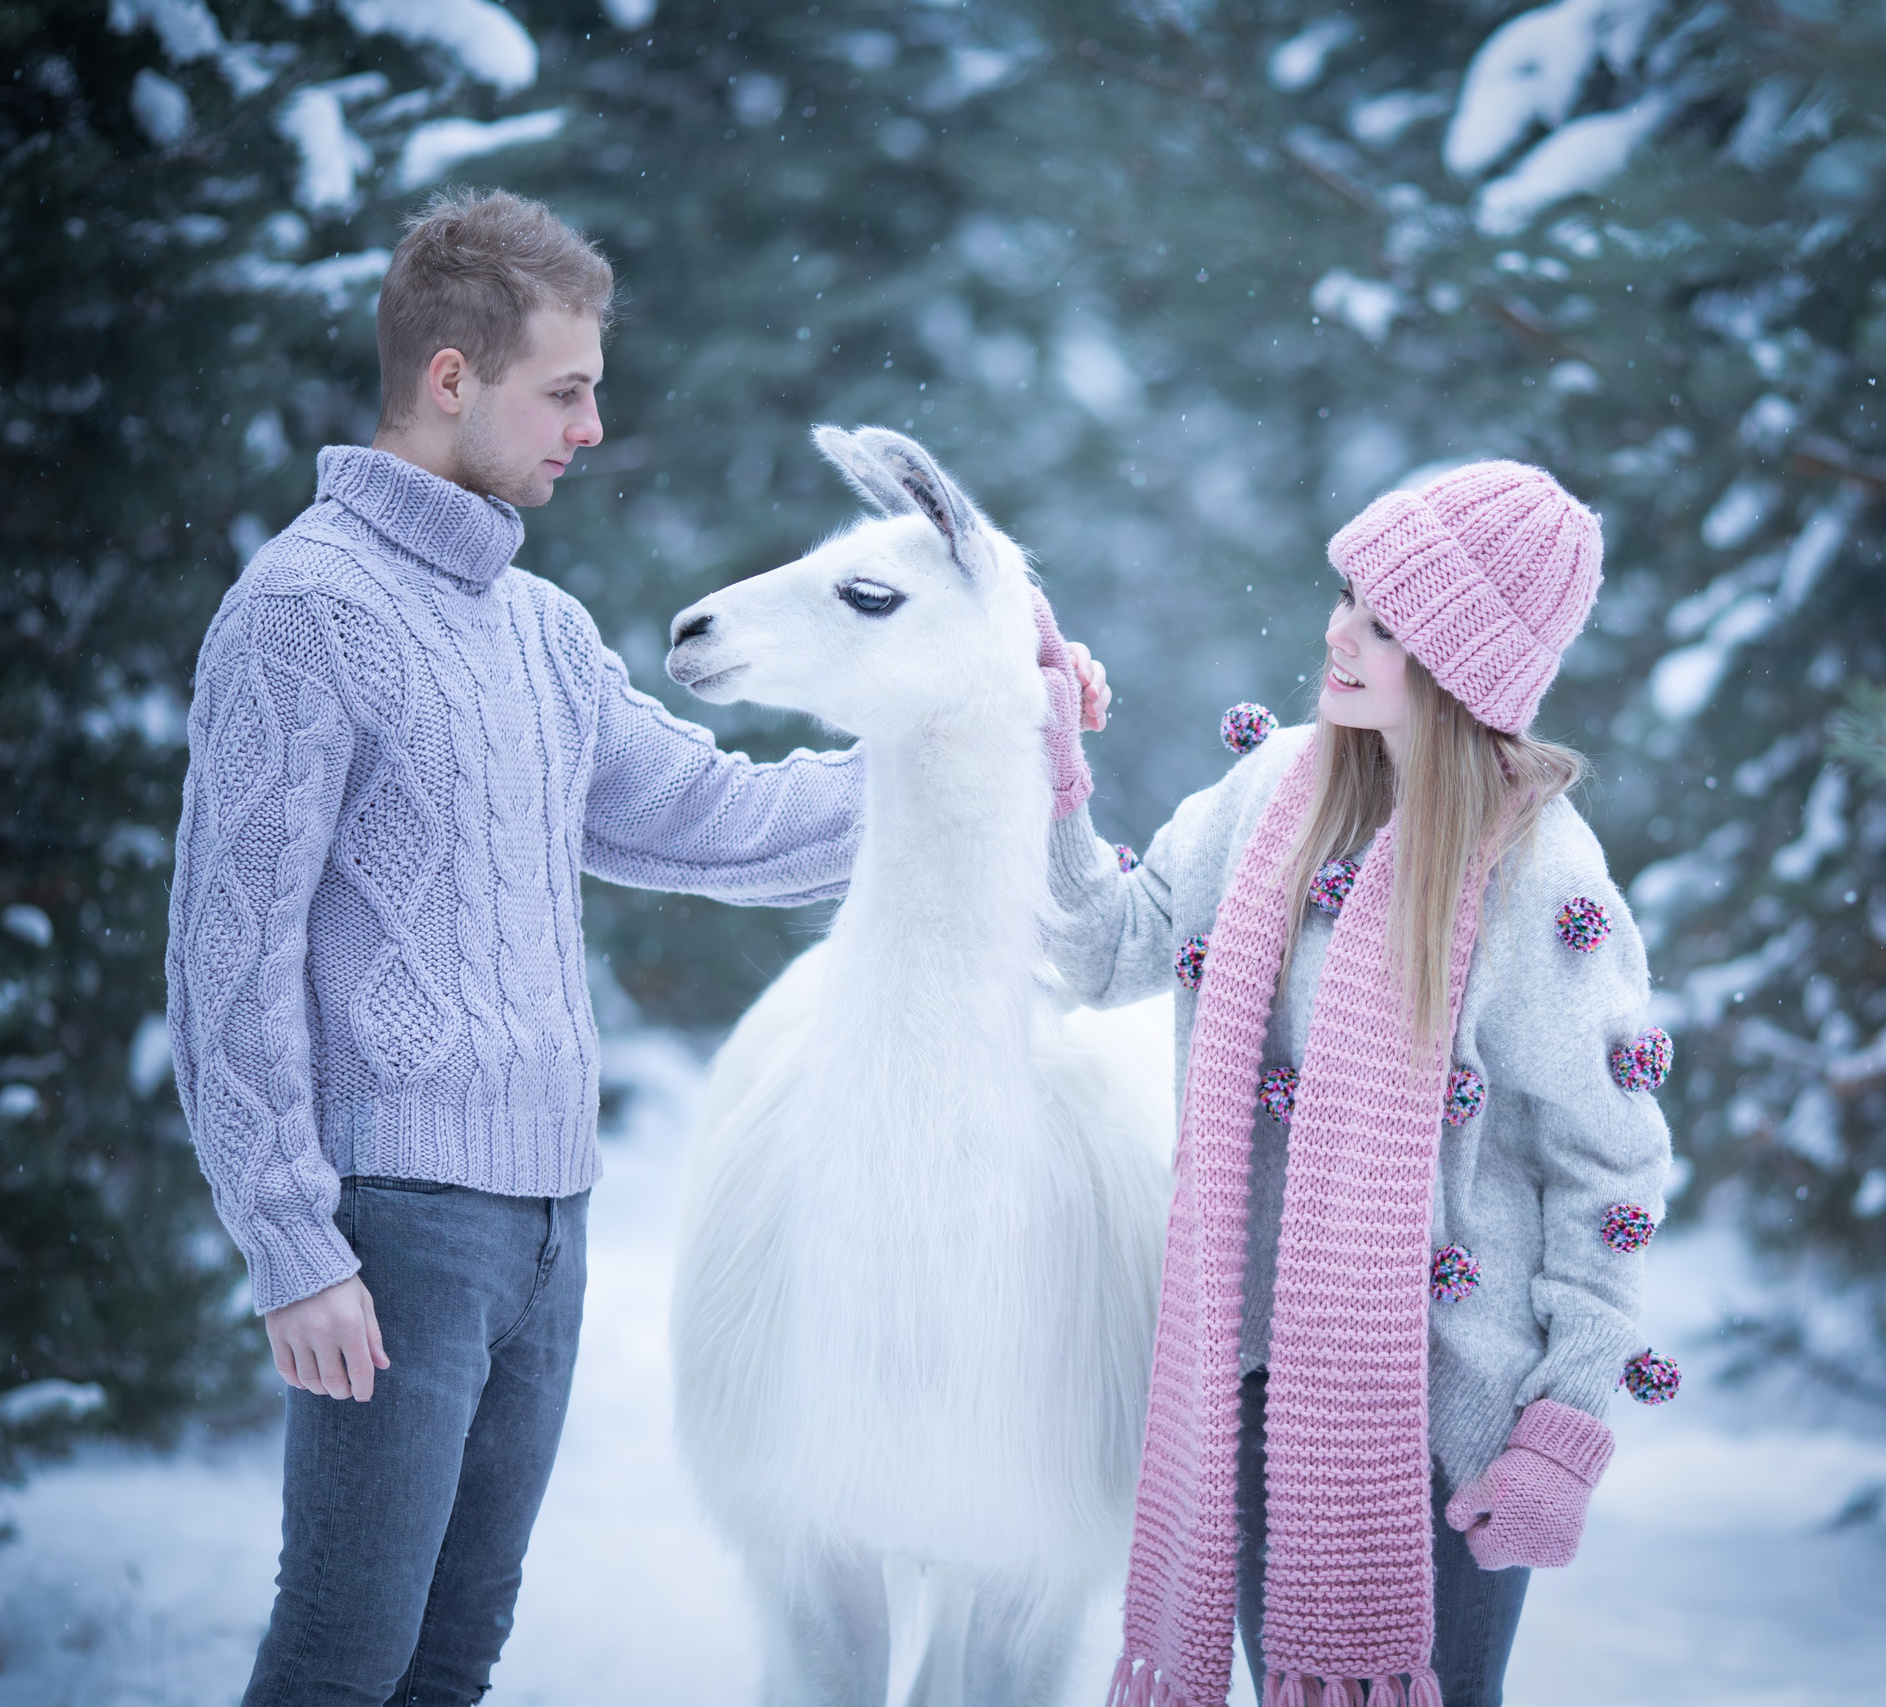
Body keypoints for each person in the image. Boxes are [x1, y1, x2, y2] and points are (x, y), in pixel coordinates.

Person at [164, 187, 1101, 1705]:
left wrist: (984, 725)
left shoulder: (536, 630)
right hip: (394, 1228)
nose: (592, 428)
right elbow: (229, 950)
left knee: (451, 1660)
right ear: (452, 378)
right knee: (344, 1657)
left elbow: (712, 819)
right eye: (566, 391)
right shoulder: (303, 611)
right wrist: (291, 1244)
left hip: (546, 1225)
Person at [1045, 462, 1676, 1707]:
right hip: (1251, 1375)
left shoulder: (1541, 873)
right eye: (1347, 598)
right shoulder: (1265, 792)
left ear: (1459, 665)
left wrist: (1566, 1422)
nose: (1338, 632)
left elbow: (1609, 1166)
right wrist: (1046, 760)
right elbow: (1106, 949)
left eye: (1385, 624)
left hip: (1450, 1413)